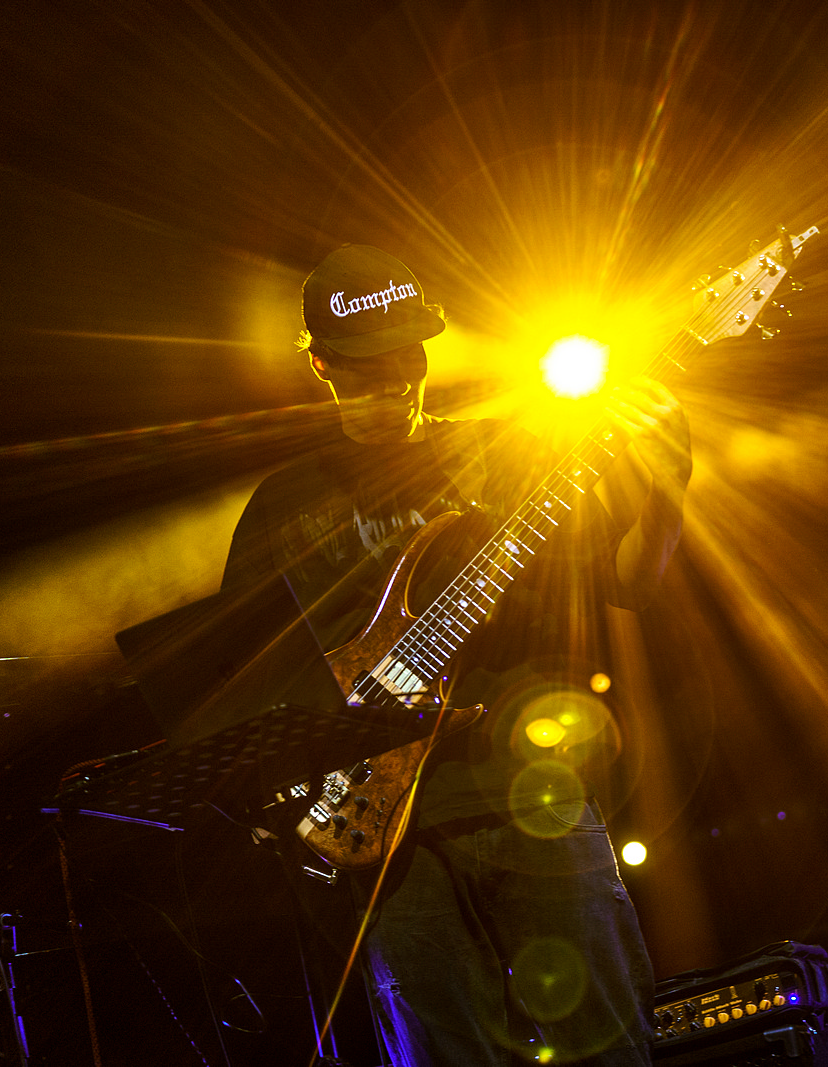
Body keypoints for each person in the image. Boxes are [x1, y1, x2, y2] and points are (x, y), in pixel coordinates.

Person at [219, 244, 691, 1065]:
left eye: (407, 357)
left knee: (611, 1044)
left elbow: (629, 583)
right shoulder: (281, 506)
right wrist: (283, 786)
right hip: (385, 834)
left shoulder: (501, 455)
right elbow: (242, 683)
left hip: (531, 797)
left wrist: (669, 481)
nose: (393, 381)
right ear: (321, 364)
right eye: (366, 366)